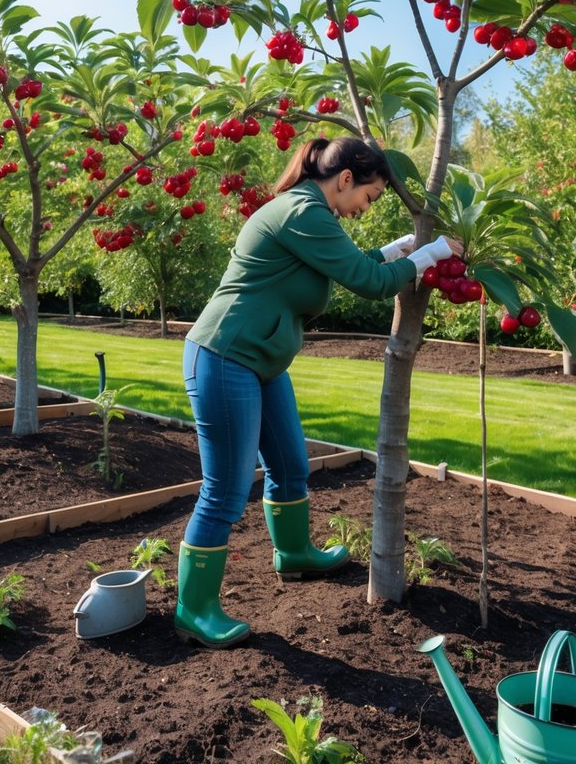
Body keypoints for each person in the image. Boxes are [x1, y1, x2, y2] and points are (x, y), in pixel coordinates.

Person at [174, 136, 462, 648]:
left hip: (258, 362)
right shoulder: (304, 211)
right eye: (368, 198)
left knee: (290, 467)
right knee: (225, 488)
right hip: (224, 357)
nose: (362, 210)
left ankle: (294, 555)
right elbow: (368, 282)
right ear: (345, 178)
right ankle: (193, 610)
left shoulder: (310, 213)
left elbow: (351, 263)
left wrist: (402, 250)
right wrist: (434, 253)